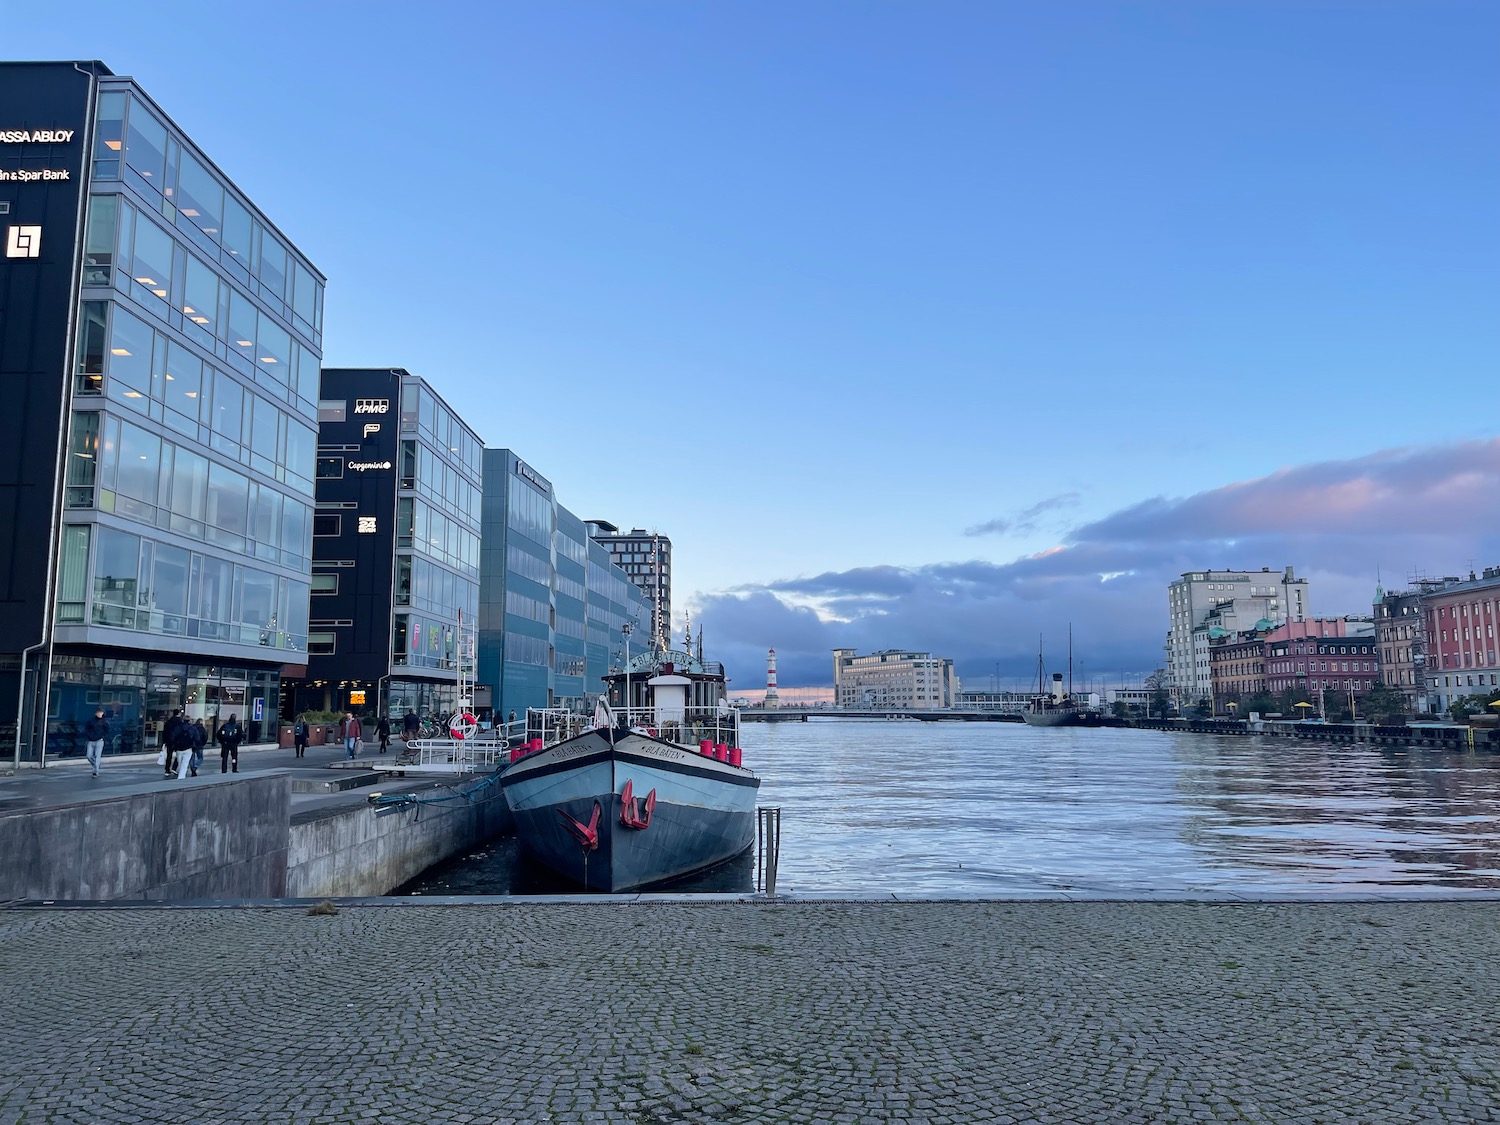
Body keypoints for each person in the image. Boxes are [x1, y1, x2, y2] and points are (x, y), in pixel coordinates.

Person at [83, 707, 108, 778]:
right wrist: (88, 736)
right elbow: (86, 729)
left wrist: (103, 737)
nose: (100, 714)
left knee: (97, 756)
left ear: (103, 713)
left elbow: (107, 730)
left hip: (99, 741)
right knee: (89, 756)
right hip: (91, 740)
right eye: (98, 712)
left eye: (101, 712)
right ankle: (96, 764)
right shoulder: (91, 721)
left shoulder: (105, 721)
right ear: (96, 713)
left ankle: (95, 771)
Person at [162, 708, 186, 777]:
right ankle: (174, 767)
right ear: (179, 714)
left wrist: (164, 741)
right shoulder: (180, 722)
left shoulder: (168, 722)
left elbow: (165, 732)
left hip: (169, 741)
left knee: (169, 755)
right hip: (178, 741)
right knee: (178, 755)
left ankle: (167, 769)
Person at [172, 716, 197, 780]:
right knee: (185, 763)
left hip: (179, 748)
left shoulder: (178, 728)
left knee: (180, 762)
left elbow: (173, 737)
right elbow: (197, 738)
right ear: (189, 720)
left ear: (183, 720)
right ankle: (181, 776)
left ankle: (181, 775)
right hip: (188, 748)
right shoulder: (193, 728)